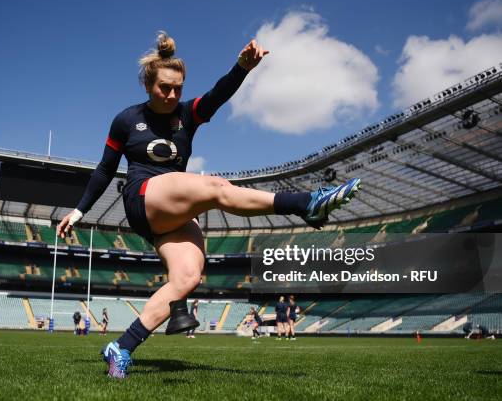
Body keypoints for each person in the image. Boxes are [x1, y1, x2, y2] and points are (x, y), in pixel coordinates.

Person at [58, 31, 360, 379]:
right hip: (143, 198)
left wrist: (242, 69)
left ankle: (122, 347)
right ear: (147, 84)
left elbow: (217, 96)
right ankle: (307, 203)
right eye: (164, 88)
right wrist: (80, 211)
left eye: (178, 88)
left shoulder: (188, 114)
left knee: (186, 277)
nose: (172, 94)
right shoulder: (126, 120)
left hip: (175, 212)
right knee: (216, 186)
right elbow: (105, 169)